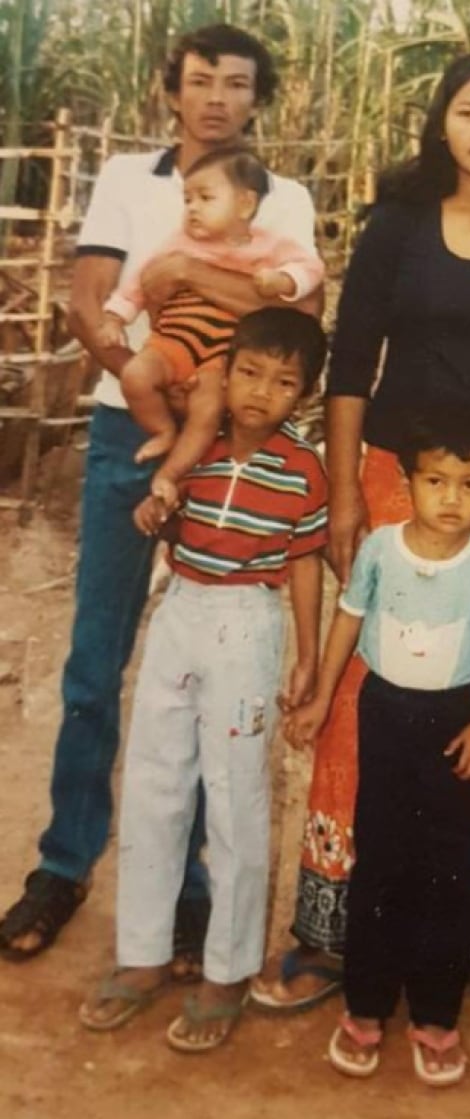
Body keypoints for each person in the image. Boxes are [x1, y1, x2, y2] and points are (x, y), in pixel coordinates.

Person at [252, 47, 470, 1018]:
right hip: (394, 487)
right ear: (440, 124)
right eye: (465, 111)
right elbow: (352, 364)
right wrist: (349, 497)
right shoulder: (397, 225)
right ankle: (332, 931)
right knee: (367, 691)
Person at [0, 23, 319, 970]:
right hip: (124, 428)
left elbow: (296, 316)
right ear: (169, 90)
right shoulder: (127, 183)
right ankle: (64, 863)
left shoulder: (282, 193)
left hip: (232, 450)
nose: (217, 96)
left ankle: (189, 893)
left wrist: (189, 277)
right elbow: (92, 297)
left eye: (237, 82)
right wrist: (161, 385)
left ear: (257, 98)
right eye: (199, 80)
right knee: (97, 657)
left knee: (207, 663)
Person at [78, 307, 328, 1052]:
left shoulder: (302, 468)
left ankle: (226, 969)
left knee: (236, 792)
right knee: (155, 780)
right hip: (181, 610)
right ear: (226, 371)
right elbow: (157, 516)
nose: (260, 392)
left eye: (284, 382)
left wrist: (308, 654)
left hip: (248, 622)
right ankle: (144, 954)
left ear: (305, 395)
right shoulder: (196, 447)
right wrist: (158, 506)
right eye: (249, 372)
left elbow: (307, 562)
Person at [285, 406, 470, 1084]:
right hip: (386, 715)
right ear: (407, 481)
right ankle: (365, 1006)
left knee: (449, 871)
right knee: (380, 860)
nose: (452, 498)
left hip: (457, 724)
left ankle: (435, 1014)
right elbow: (347, 621)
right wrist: (322, 697)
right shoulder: (377, 551)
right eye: (437, 481)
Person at [99, 145, 324, 489]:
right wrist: (116, 316)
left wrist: (284, 280)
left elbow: (311, 270)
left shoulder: (268, 246)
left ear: (245, 204)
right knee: (135, 375)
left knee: (208, 409)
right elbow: (140, 283)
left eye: (205, 198)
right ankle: (162, 430)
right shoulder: (178, 242)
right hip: (172, 341)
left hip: (220, 354)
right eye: (188, 200)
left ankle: (170, 473)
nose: (192, 209)